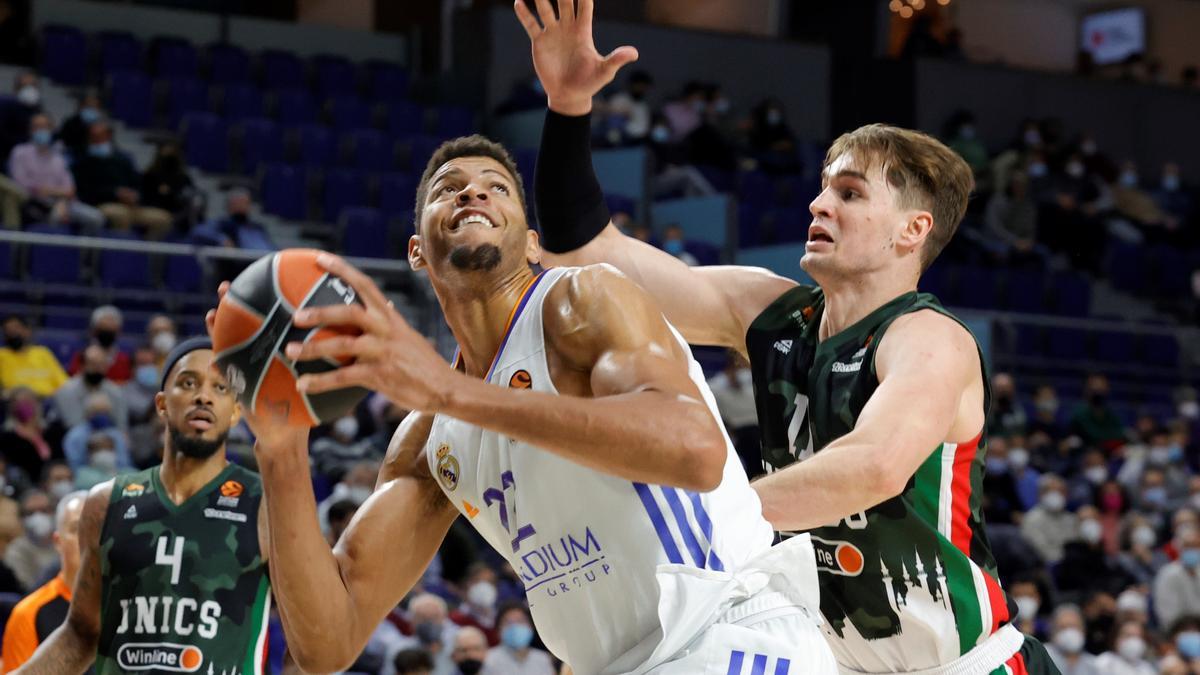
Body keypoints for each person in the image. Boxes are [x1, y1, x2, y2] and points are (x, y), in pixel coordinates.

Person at [519, 4, 1056, 671]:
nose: (819, 204)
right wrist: (568, 107)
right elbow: (586, 255)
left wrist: (713, 515)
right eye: (823, 188)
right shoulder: (768, 312)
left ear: (912, 230)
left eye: (851, 194)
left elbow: (874, 466)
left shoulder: (929, 339)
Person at [227, 137, 834, 674]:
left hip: (727, 637)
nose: (474, 195)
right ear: (416, 251)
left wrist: (449, 391)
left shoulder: (581, 300)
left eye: (497, 189)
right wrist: (281, 449)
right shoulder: (429, 442)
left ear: (533, 243)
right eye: (450, 189)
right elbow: (327, 644)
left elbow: (695, 450)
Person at [15, 338, 271, 674]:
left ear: (236, 411)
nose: (203, 396)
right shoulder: (106, 503)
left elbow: (308, 649)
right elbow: (80, 635)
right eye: (188, 382)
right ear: (162, 404)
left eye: (220, 387)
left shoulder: (264, 503)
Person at [0, 491, 85, 669]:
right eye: (77, 529)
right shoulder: (28, 613)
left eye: (100, 528)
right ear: (58, 541)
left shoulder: (138, 603)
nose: (88, 538)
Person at [70, 120, 171, 239]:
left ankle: (147, 254)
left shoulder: (122, 159)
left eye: (99, 136)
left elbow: (137, 183)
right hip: (101, 205)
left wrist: (135, 196)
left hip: (130, 206)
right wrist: (115, 193)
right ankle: (120, 257)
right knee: (121, 215)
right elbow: (85, 192)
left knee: (163, 218)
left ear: (108, 136)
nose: (96, 140)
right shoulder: (83, 162)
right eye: (93, 137)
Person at [7, 113, 104, 230]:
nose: (41, 131)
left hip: (64, 203)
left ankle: (86, 248)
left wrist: (57, 198)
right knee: (55, 216)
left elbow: (70, 190)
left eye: (45, 127)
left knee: (96, 217)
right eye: (37, 127)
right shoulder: (20, 152)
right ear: (31, 130)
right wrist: (51, 193)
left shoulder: (58, 156)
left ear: (51, 129)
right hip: (34, 203)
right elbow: (21, 185)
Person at [0, 387, 57, 484]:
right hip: (26, 485)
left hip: (53, 481)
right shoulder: (7, 437)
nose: (26, 405)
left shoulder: (51, 431)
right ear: (12, 406)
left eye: (28, 400)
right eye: (20, 402)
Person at [0, 315, 68, 397]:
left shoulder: (43, 352)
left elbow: (64, 383)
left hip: (49, 400)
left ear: (27, 331)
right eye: (8, 329)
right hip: (18, 401)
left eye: (16, 328)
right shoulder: (2, 355)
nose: (12, 332)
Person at [5, 490, 56, 592]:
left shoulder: (64, 543)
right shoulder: (16, 550)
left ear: (54, 512)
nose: (38, 517)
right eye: (30, 513)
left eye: (44, 511)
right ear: (21, 518)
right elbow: (29, 588)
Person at [484, 602, 555, 675]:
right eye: (508, 622)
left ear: (531, 626)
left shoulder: (543, 659)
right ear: (499, 629)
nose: (515, 626)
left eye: (520, 621)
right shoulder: (488, 660)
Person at [66, 306, 132, 385]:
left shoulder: (125, 360)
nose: (107, 333)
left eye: (111, 330)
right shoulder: (81, 356)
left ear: (118, 332)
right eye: (103, 328)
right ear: (94, 330)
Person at [1154, 526, 1200, 629]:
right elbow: (1168, 615)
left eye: (1196, 546)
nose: (1192, 550)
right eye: (1188, 546)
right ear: (1180, 548)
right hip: (1178, 630)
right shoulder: (1167, 574)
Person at [1043, 605, 1100, 675]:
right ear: (1053, 632)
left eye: (1074, 627)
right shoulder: (1040, 656)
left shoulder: (1094, 664)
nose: (1069, 633)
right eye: (1063, 628)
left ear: (1084, 631)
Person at [56, 91, 104, 160]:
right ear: (81, 106)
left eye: (95, 107)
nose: (92, 110)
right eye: (89, 107)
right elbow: (63, 142)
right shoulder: (70, 123)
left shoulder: (101, 125)